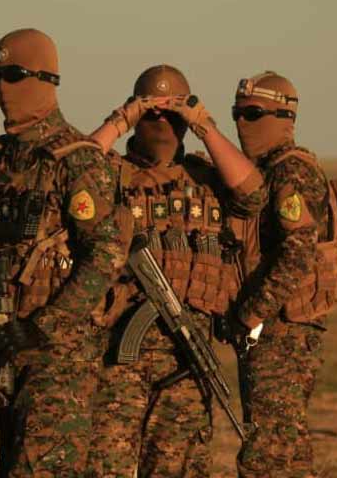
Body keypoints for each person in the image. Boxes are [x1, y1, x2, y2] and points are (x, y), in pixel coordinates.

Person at [0, 28, 131, 477]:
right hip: (1, 343)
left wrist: (43, 326)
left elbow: (107, 254)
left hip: (58, 356)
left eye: (14, 74)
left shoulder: (77, 161)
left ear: (46, 79)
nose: (3, 88)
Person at [86, 64, 267, 477]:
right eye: (152, 113)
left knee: (178, 467)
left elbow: (254, 194)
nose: (162, 122)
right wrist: (121, 119)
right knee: (105, 465)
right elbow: (67, 172)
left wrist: (203, 124)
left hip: (187, 353)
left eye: (173, 114)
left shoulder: (205, 177)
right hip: (118, 350)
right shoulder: (110, 173)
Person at [231, 71, 337, 478]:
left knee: (267, 452)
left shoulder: (290, 172)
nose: (242, 124)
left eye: (252, 113)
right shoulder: (267, 170)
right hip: (285, 329)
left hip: (283, 331)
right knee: (290, 446)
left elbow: (297, 255)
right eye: (237, 113)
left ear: (282, 116)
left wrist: (253, 313)